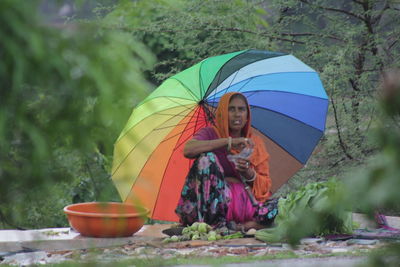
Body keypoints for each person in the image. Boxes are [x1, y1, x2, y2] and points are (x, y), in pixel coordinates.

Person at [175, 92, 278, 231]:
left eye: (241, 109)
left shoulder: (255, 143)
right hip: (213, 204)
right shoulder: (210, 133)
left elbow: (265, 186)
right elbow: (188, 150)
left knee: (283, 206)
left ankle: (245, 225)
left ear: (247, 115)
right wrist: (228, 142)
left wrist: (248, 172)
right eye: (231, 109)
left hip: (243, 202)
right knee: (207, 158)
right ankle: (216, 223)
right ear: (223, 113)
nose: (237, 114)